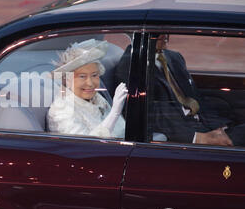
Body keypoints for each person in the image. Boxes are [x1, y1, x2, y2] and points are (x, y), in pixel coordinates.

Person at [115, 34, 244, 146]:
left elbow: (195, 97)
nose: (165, 35)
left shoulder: (174, 57)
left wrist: (219, 127)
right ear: (143, 35)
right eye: (158, 33)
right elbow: (148, 113)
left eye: (166, 30)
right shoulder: (130, 66)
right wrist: (196, 137)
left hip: (205, 125)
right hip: (181, 137)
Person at [47, 39, 127, 138]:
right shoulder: (62, 111)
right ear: (67, 79)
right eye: (82, 76)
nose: (90, 83)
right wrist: (114, 113)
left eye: (94, 75)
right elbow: (87, 147)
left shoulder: (96, 98)